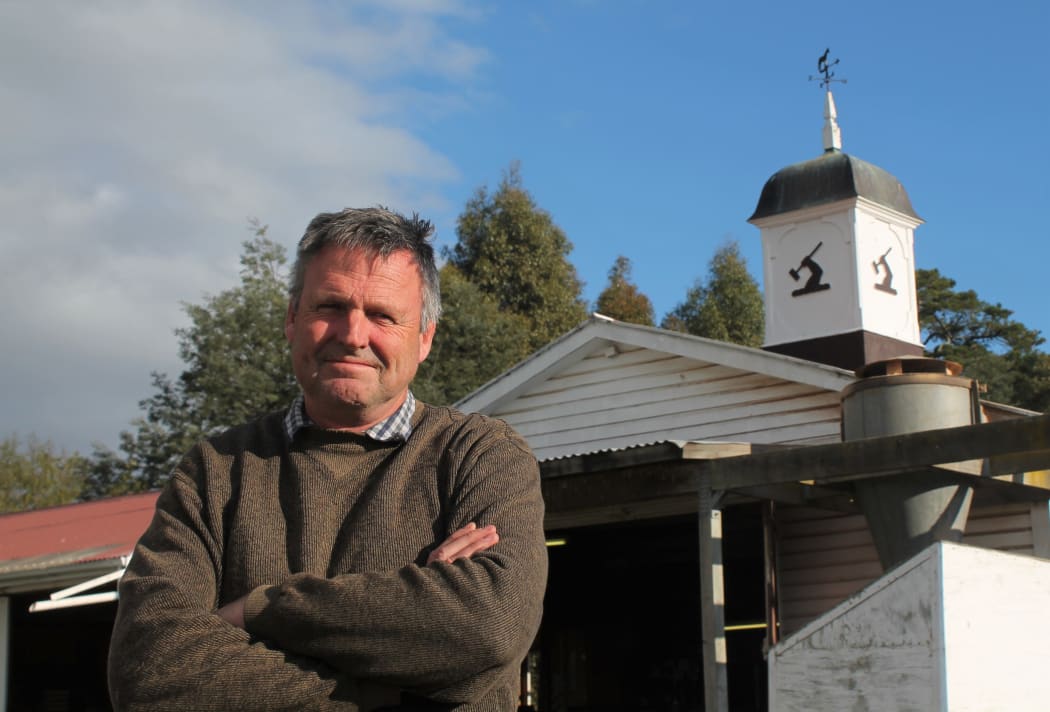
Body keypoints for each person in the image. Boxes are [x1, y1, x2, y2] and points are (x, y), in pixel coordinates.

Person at [108, 207, 548, 710]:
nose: (353, 334)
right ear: (292, 318)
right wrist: (398, 688)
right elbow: (149, 671)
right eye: (331, 306)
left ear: (424, 338)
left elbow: (490, 627)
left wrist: (260, 610)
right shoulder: (215, 470)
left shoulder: (481, 455)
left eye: (383, 315)